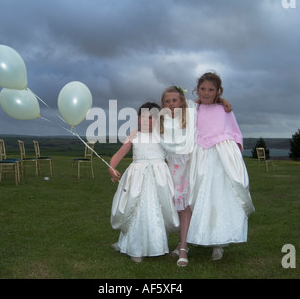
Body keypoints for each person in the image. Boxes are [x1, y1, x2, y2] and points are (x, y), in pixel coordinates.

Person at [158, 86, 233, 267]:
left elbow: (205, 100)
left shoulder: (191, 113)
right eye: (167, 101)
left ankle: (184, 248)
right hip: (171, 171)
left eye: (175, 100)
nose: (171, 104)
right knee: (176, 208)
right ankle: (181, 242)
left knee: (187, 208)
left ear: (182, 102)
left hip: (191, 167)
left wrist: (222, 100)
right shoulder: (162, 120)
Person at [187, 72, 255, 261]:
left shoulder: (225, 110)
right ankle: (199, 234)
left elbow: (234, 132)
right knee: (199, 194)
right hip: (200, 154)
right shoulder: (193, 109)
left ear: (218, 91)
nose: (206, 93)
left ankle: (219, 243)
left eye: (211, 90)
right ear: (197, 89)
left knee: (219, 195)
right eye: (203, 89)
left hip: (220, 157)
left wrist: (222, 100)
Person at [109, 102, 179, 263]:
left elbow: (176, 154)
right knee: (137, 209)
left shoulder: (163, 136)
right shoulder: (134, 135)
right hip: (137, 178)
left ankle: (157, 245)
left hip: (158, 178)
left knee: (156, 209)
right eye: (142, 117)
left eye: (151, 117)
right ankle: (135, 247)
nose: (146, 120)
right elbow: (119, 154)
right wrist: (111, 167)